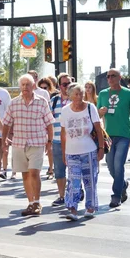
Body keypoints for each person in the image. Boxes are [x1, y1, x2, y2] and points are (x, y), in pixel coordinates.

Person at [1, 74, 55, 216]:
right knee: (25, 174)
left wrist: (49, 142)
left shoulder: (42, 102)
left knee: (34, 172)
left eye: (28, 85)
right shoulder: (13, 103)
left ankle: (37, 202)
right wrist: (4, 141)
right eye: (23, 85)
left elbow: (50, 123)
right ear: (20, 86)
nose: (25, 87)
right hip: (19, 143)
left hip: (37, 142)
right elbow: (6, 123)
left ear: (33, 86)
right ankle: (30, 203)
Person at [97, 68, 130, 208]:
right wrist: (100, 112)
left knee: (118, 164)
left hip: (123, 135)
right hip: (108, 136)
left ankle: (116, 196)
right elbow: (96, 117)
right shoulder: (103, 94)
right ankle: (122, 184)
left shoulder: (128, 94)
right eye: (108, 76)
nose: (109, 79)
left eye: (113, 76)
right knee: (110, 167)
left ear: (119, 77)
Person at [60, 84, 104, 220]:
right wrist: (63, 153)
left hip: (89, 151)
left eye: (81, 94)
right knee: (74, 181)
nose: (79, 97)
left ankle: (90, 207)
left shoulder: (91, 108)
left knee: (90, 180)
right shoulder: (65, 110)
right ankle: (72, 209)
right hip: (71, 152)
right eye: (76, 94)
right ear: (70, 96)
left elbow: (98, 129)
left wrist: (101, 148)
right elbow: (63, 134)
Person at [49, 73, 72, 205]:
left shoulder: (75, 99)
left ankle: (75, 191)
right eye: (64, 84)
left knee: (74, 169)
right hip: (57, 140)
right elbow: (49, 121)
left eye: (69, 83)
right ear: (59, 86)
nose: (67, 86)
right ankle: (62, 196)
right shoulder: (54, 101)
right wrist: (49, 140)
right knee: (59, 169)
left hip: (73, 141)